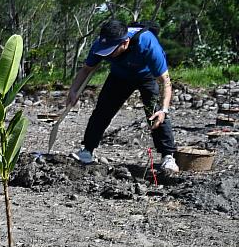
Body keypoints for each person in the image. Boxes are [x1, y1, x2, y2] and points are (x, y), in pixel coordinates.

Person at [67, 19, 179, 172]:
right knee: (102, 111)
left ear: (125, 42)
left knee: (155, 113)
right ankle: (87, 150)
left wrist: (164, 109)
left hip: (146, 75)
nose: (109, 54)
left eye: (112, 50)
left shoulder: (148, 44)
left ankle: (168, 156)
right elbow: (87, 69)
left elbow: (165, 81)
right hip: (119, 76)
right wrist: (73, 90)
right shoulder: (100, 44)